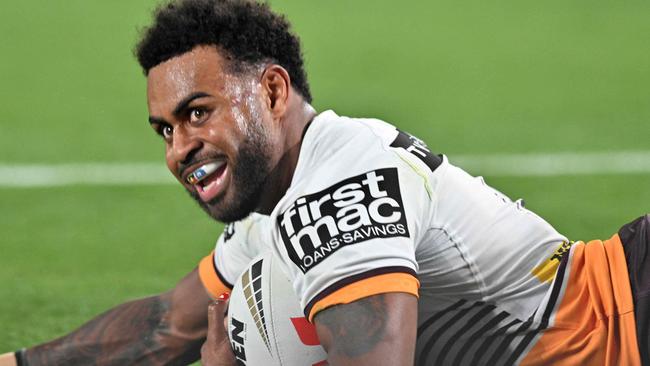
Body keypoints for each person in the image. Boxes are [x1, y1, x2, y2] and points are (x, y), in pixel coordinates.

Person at [1, 0, 648, 365]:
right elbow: (168, 326)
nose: (179, 150)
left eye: (198, 113)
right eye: (164, 129)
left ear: (273, 91)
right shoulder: (273, 203)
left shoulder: (338, 187)